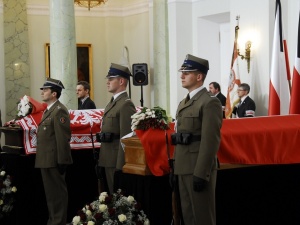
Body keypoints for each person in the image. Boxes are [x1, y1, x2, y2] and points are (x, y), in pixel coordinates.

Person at [173, 54, 223, 225]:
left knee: (202, 217)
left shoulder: (209, 102)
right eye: (182, 72)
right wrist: (175, 167)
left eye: (187, 72)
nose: (182, 75)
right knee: (188, 216)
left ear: (199, 76)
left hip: (197, 168)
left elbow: (210, 141)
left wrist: (201, 173)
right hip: (183, 166)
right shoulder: (184, 102)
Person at [35, 78, 73, 225]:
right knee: (50, 195)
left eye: (45, 90)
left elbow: (63, 138)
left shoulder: (59, 110)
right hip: (45, 159)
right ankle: (53, 220)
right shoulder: (49, 110)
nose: (42, 92)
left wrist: (62, 160)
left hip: (54, 160)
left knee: (57, 195)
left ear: (54, 94)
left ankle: (58, 221)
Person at [97, 63, 136, 194]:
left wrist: (121, 165)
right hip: (107, 158)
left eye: (111, 78)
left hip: (116, 160)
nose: (107, 82)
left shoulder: (126, 104)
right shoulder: (112, 103)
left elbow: (126, 137)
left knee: (119, 199)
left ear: (121, 81)